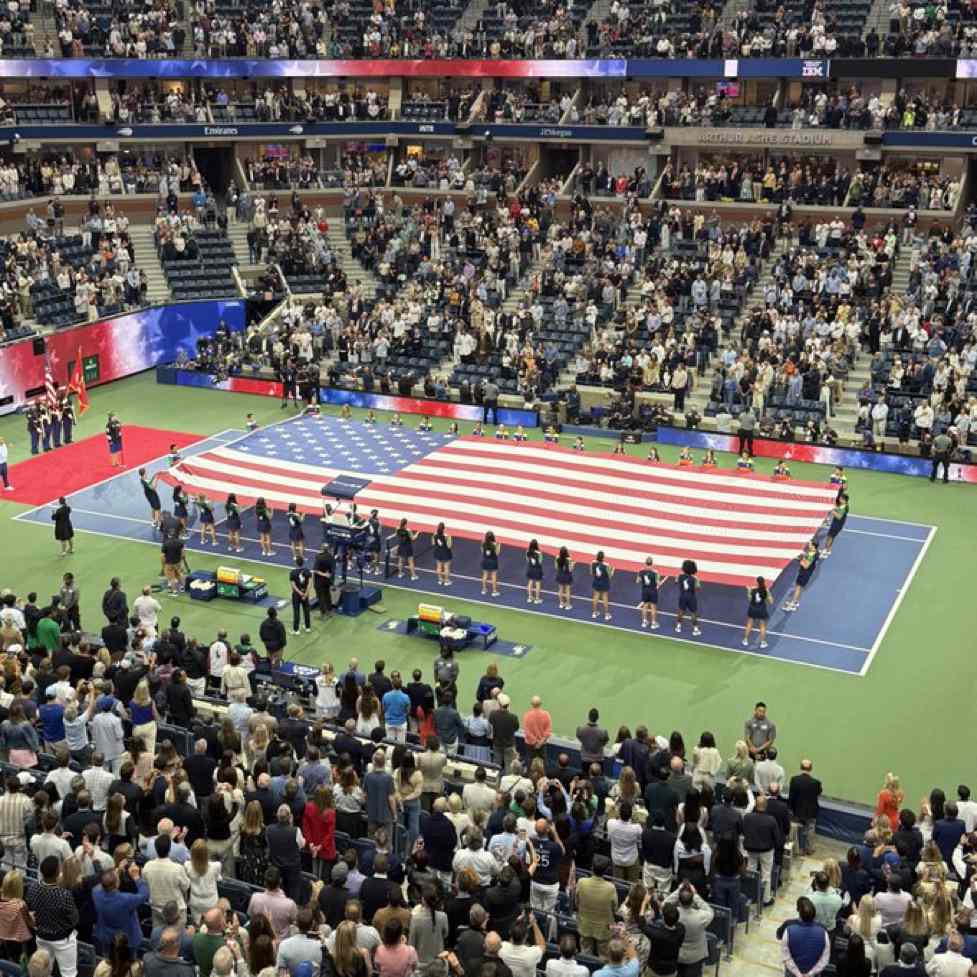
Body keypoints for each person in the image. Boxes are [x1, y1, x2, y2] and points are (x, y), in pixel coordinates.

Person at [781, 897, 830, 977]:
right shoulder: (823, 933)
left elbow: (786, 957)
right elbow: (824, 960)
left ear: (800, 914)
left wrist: (798, 974)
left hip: (792, 974)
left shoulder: (789, 931)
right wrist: (810, 974)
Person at [788, 760, 822, 856]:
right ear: (811, 768)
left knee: (796, 830)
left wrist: (790, 809)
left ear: (801, 767)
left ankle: (797, 849)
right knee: (810, 830)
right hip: (811, 812)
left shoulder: (794, 780)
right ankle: (809, 849)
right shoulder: (816, 783)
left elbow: (791, 796)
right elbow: (818, 793)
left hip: (797, 811)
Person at [782, 540, 818, 611]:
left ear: (813, 546)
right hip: (807, 573)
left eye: (810, 544)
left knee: (798, 588)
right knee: (800, 588)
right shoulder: (815, 552)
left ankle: (792, 605)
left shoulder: (811, 555)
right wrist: (804, 556)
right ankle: (796, 602)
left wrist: (801, 559)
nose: (808, 545)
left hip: (804, 573)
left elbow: (805, 565)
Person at [742, 576, 772, 649]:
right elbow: (771, 602)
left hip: (752, 609)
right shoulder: (766, 590)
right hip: (761, 609)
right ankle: (762, 642)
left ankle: (745, 640)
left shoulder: (753, 590)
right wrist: (768, 596)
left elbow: (749, 599)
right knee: (762, 626)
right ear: (763, 582)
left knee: (749, 624)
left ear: (757, 582)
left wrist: (748, 591)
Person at [674, 560, 701, 636]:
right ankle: (695, 629)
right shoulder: (695, 578)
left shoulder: (679, 576)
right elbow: (698, 588)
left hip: (682, 596)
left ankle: (678, 626)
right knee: (693, 613)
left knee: (681, 611)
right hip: (691, 597)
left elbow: (676, 582)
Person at [821, 492, 849, 558]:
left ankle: (825, 551)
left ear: (844, 500)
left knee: (829, 537)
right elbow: (838, 509)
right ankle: (828, 550)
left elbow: (839, 516)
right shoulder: (843, 505)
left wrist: (832, 511)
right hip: (836, 524)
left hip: (836, 526)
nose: (839, 499)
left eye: (841, 499)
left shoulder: (844, 508)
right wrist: (834, 507)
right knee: (831, 537)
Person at [638, 557, 662, 630]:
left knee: (645, 605)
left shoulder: (641, 571)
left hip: (645, 590)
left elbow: (637, 581)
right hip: (652, 591)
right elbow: (658, 583)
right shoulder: (655, 572)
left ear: (646, 563)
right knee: (653, 607)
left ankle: (644, 622)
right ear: (652, 563)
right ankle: (653, 623)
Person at [290, 557, 313, 635]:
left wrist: (300, 593)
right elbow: (310, 583)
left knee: (296, 611)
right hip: (305, 594)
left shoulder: (293, 572)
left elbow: (293, 585)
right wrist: (306, 593)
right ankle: (308, 627)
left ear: (296, 563)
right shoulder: (307, 571)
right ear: (303, 562)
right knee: (306, 610)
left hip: (296, 595)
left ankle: (296, 630)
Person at [590, 551, 613, 621]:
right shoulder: (607, 565)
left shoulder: (593, 563)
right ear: (603, 557)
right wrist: (612, 571)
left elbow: (591, 573)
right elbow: (610, 576)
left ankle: (594, 613)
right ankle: (606, 615)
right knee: (605, 597)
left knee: (595, 597)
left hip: (596, 582)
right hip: (604, 583)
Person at [432, 523, 453, 587]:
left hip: (438, 552)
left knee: (439, 567)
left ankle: (440, 580)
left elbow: (433, 543)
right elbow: (449, 546)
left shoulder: (434, 534)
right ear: (444, 528)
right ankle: (446, 581)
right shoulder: (447, 536)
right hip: (446, 553)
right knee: (446, 567)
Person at [481, 532, 501, 597]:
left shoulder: (483, 543)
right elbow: (497, 553)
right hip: (493, 561)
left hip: (485, 561)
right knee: (493, 576)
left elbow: (482, 552)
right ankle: (494, 591)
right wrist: (499, 546)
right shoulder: (495, 544)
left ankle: (484, 589)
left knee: (485, 575)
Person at [555, 546, 575, 611]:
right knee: (567, 590)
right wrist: (573, 564)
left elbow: (556, 567)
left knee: (560, 589)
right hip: (567, 576)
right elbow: (570, 570)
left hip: (560, 575)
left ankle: (561, 604)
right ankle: (568, 605)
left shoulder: (557, 558)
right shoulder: (569, 559)